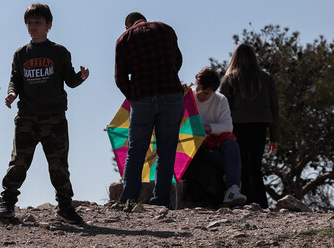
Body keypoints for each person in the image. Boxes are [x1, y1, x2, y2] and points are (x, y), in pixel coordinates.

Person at [0, 3, 90, 224]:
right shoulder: (21, 54)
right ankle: (7, 203)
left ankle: (65, 208)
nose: (33, 26)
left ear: (49, 25)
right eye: (29, 22)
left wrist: (81, 76)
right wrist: (11, 94)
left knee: (58, 165)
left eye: (38, 22)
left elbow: (70, 81)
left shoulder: (59, 52)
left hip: (54, 118)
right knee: (19, 162)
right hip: (27, 118)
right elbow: (15, 80)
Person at [115, 12, 183, 210]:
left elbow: (120, 77)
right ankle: (161, 200)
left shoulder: (124, 39)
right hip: (170, 94)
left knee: (136, 151)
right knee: (167, 151)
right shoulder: (166, 28)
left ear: (127, 25)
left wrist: (134, 95)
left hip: (142, 98)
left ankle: (129, 199)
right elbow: (177, 61)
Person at [219, 43, 280, 209]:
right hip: (260, 126)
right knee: (255, 166)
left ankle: (246, 200)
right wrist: (274, 137)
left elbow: (223, 107)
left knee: (242, 166)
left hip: (237, 126)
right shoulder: (266, 78)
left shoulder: (229, 78)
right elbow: (275, 108)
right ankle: (261, 203)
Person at [193, 67, 246, 206]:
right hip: (194, 146)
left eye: (206, 93)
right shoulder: (187, 97)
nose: (201, 94)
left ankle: (233, 188)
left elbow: (228, 126)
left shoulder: (220, 100)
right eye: (198, 89)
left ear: (214, 91)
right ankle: (231, 185)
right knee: (231, 161)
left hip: (214, 144)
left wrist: (205, 127)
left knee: (232, 145)